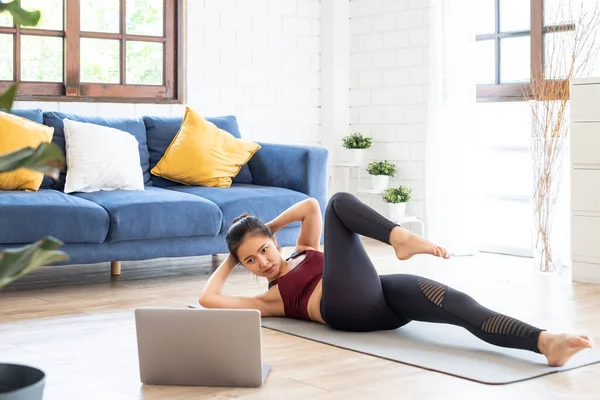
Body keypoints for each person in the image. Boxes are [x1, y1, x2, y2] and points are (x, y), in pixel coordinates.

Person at [199, 192, 594, 367]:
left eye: (264, 250)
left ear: (274, 241)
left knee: (459, 305)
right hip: (344, 309)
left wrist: (263, 228)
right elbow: (208, 298)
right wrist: (233, 258)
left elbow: (309, 206)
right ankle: (399, 238)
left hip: (378, 295)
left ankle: (545, 341)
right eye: (251, 261)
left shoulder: (304, 248)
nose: (262, 262)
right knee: (339, 203)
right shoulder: (270, 299)